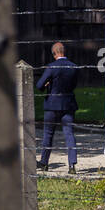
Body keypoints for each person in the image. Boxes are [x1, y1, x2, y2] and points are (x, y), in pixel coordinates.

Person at [37, 41, 79, 175]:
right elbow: (74, 84)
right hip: (68, 103)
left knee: (48, 134)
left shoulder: (51, 67)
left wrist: (47, 85)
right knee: (69, 134)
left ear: (54, 53)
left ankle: (44, 163)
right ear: (64, 52)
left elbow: (39, 85)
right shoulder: (73, 67)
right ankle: (72, 164)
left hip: (52, 104)